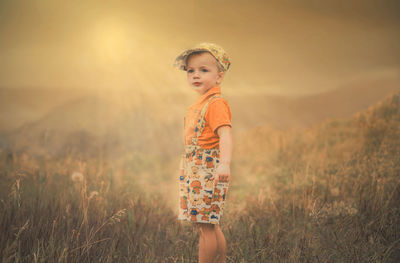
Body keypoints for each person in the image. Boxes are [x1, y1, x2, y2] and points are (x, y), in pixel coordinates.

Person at [174, 43, 233, 263]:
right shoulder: (201, 103)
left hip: (207, 170)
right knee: (209, 223)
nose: (195, 75)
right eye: (191, 71)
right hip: (196, 168)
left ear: (219, 77)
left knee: (204, 226)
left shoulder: (215, 103)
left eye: (204, 70)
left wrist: (224, 163)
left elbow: (225, 135)